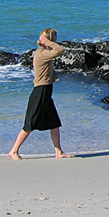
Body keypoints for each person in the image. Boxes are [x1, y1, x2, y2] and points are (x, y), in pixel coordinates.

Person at [9, 28, 72, 160]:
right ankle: (14, 151)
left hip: (46, 91)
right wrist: (47, 41)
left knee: (54, 123)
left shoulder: (44, 52)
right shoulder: (42, 53)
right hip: (40, 91)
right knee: (30, 124)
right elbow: (60, 50)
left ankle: (59, 152)